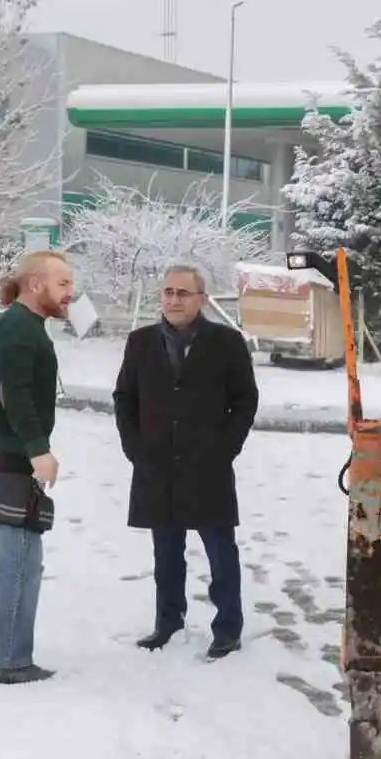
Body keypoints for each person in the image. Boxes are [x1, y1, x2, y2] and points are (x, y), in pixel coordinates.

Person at [112, 264, 259, 659]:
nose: (174, 300)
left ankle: (227, 627)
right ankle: (168, 622)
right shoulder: (140, 342)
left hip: (207, 465)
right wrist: (135, 448)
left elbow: (245, 400)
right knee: (166, 552)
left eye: (183, 293)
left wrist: (226, 446)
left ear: (202, 300)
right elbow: (125, 398)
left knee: (220, 550)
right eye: (168, 292)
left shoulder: (227, 343)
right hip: (157, 465)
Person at [0, 249, 74, 684]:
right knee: (21, 563)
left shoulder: (22, 326)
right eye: (62, 284)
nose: (71, 293)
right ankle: (9, 659)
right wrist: (38, 451)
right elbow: (16, 394)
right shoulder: (18, 328)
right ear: (36, 285)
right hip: (8, 459)